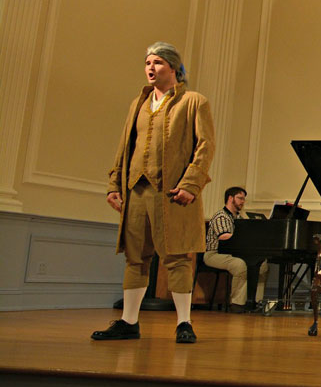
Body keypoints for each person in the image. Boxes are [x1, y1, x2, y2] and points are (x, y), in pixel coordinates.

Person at [92, 42, 215, 344]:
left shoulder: (193, 102)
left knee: (177, 257)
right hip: (136, 191)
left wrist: (190, 185)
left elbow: (205, 146)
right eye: (148, 62)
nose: (151, 67)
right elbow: (125, 147)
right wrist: (114, 185)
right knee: (135, 258)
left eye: (158, 62)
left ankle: (184, 323)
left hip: (172, 193)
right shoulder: (138, 104)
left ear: (173, 67)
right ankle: (128, 322)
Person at [203, 186, 269, 313]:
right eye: (240, 198)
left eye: (244, 199)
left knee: (262, 265)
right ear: (230, 198)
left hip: (234, 253)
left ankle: (256, 301)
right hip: (215, 254)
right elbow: (224, 237)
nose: (242, 202)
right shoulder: (221, 216)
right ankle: (237, 303)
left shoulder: (239, 218)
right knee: (240, 265)